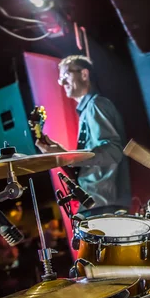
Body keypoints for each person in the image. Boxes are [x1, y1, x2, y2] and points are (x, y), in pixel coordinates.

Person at [35, 55, 131, 215]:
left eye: (66, 76)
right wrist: (62, 154)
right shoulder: (88, 109)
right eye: (60, 80)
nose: (63, 83)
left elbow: (113, 151)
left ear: (84, 74)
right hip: (98, 203)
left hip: (104, 204)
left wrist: (69, 156)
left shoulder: (95, 105)